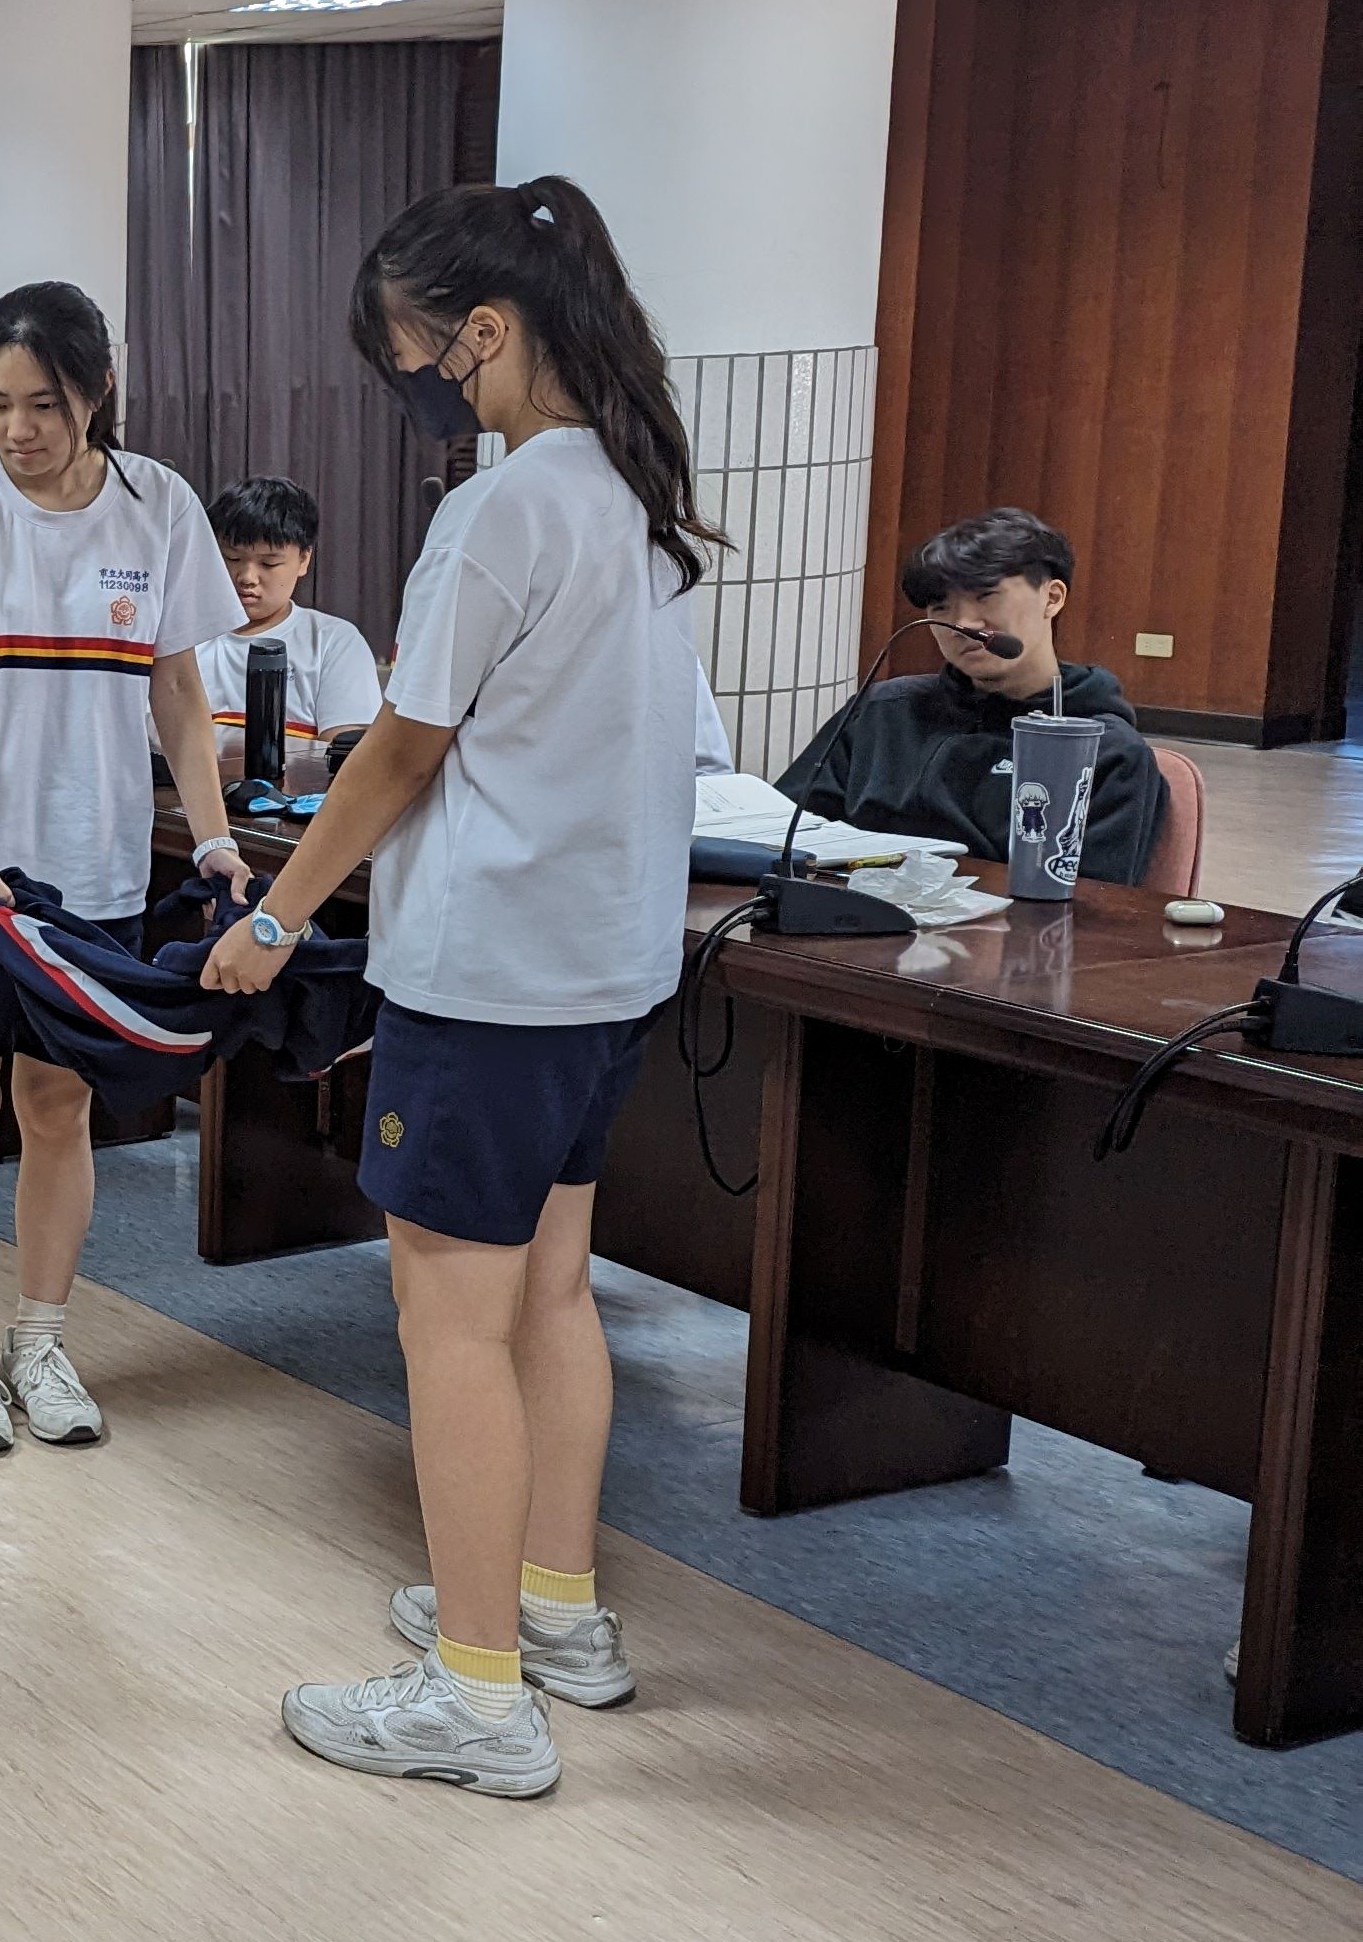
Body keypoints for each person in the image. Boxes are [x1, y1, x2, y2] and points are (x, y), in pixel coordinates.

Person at [200, 177, 710, 1800]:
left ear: (484, 333)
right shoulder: (637, 490)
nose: (425, 388)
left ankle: (477, 1692)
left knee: (452, 1322)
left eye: (421, 356)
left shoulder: (502, 508)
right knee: (550, 1291)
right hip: (607, 967)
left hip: (490, 979)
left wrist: (272, 919)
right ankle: (552, 1607)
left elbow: (402, 753)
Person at [0, 280, 251, 1454]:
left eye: (44, 403)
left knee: (58, 1105)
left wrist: (219, 831)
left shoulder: (159, 506)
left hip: (97, 872)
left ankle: (39, 1340)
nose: (18, 429)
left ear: (100, 392)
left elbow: (177, 689)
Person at [771, 506, 1166, 884]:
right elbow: (781, 830)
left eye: (985, 596)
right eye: (941, 607)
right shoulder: (881, 710)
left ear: (1052, 597)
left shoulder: (1104, 750)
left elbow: (1096, 906)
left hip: (1004, 943)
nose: (962, 624)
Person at [191, 476, 385, 781]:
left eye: (268, 564)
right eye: (231, 558)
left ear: (303, 559)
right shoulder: (185, 636)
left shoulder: (332, 642)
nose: (247, 577)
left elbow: (347, 757)